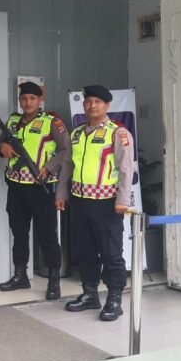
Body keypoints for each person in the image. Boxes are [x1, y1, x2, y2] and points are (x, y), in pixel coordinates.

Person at [0, 81, 71, 300]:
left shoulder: (52, 122)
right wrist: (2, 148)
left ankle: (54, 279)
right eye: (24, 98)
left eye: (32, 98)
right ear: (19, 100)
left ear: (40, 100)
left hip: (41, 188)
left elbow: (66, 150)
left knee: (47, 234)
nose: (27, 102)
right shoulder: (13, 121)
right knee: (19, 233)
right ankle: (20, 275)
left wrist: (49, 167)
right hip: (16, 186)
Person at [64, 84, 134, 321]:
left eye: (97, 102)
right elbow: (68, 165)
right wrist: (61, 194)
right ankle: (90, 294)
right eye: (88, 102)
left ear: (107, 106)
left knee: (111, 253)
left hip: (107, 203)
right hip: (80, 201)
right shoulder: (76, 134)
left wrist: (122, 200)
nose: (92, 106)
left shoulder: (118, 133)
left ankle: (114, 299)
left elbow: (125, 169)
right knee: (85, 251)